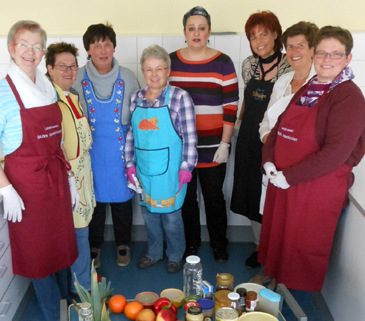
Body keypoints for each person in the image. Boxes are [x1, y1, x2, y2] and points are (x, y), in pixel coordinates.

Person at [258, 26, 365, 294]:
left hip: (315, 187)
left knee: (300, 245)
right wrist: (269, 161)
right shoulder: (311, 86)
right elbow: (279, 125)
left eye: (335, 54)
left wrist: (288, 177)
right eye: (321, 53)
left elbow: (336, 153)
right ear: (314, 55)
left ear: (348, 58)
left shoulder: (348, 95)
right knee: (279, 236)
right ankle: (274, 282)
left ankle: (292, 299)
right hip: (283, 181)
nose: (327, 60)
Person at [0, 21, 78, 321]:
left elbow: (56, 140)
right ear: (11, 48)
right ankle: (56, 316)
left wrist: (69, 177)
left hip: (55, 180)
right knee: (39, 258)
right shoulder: (5, 92)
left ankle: (65, 308)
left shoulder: (46, 87)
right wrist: (5, 189)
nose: (30, 52)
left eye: (36, 46)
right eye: (24, 44)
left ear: (42, 51)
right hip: (25, 189)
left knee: (60, 252)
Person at [169, 6, 239, 262]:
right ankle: (191, 245)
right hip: (181, 147)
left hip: (213, 146)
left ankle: (220, 244)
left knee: (213, 198)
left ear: (209, 31)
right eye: (191, 28)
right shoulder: (171, 61)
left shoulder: (223, 62)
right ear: (184, 31)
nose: (196, 33)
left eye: (202, 28)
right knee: (187, 200)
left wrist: (225, 143)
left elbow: (231, 105)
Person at [253, 22, 318, 286]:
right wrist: (269, 140)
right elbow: (265, 122)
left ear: (313, 49)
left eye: (300, 45)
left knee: (298, 224)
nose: (294, 51)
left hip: (303, 169)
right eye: (289, 46)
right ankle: (269, 270)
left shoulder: (322, 83)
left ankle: (291, 278)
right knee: (273, 221)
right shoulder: (281, 82)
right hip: (275, 162)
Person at [73, 23, 140, 268]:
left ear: (114, 47)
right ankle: (94, 245)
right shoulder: (78, 77)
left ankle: (124, 244)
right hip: (89, 151)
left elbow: (138, 115)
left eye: (107, 44)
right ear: (88, 50)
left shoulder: (129, 77)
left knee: (123, 200)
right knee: (94, 200)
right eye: (96, 45)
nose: (103, 50)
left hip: (120, 151)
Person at [125, 45, 197, 272]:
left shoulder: (180, 98)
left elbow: (190, 137)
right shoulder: (136, 97)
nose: (154, 74)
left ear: (168, 71)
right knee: (149, 216)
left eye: (159, 69)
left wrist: (187, 167)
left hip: (171, 171)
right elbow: (130, 133)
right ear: (143, 72)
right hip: (144, 170)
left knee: (172, 218)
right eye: (148, 69)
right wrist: (129, 164)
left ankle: (175, 255)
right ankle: (154, 252)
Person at [230, 11, 292, 269]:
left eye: (263, 34)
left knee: (271, 194)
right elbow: (246, 99)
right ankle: (259, 246)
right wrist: (237, 127)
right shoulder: (248, 64)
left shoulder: (289, 65)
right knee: (250, 191)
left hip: (275, 139)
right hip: (248, 138)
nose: (259, 41)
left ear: (275, 34)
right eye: (253, 36)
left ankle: (274, 249)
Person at [46, 42, 95, 295]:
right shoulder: (49, 99)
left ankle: (81, 279)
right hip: (68, 175)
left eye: (73, 66)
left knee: (79, 231)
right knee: (78, 234)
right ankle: (81, 289)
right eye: (62, 66)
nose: (69, 71)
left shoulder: (71, 96)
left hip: (82, 173)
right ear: (50, 69)